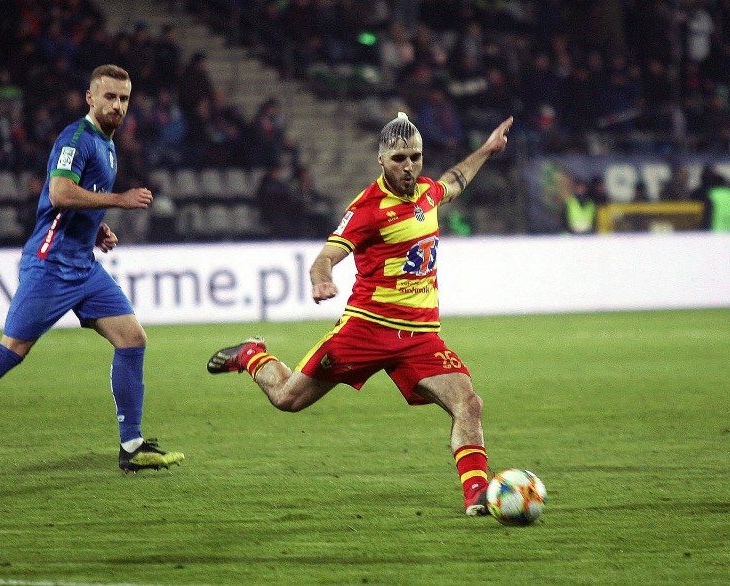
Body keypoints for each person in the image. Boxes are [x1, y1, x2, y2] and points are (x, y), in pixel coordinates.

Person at [207, 112, 513, 517]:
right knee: (287, 398)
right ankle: (252, 355)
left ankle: (476, 493)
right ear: (381, 160)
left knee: (468, 403)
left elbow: (454, 181)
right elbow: (325, 256)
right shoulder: (367, 209)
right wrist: (321, 279)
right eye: (400, 159)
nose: (409, 167)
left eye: (416, 158)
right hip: (367, 330)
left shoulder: (426, 192)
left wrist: (487, 150)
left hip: (420, 336)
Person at [0, 65, 184, 482]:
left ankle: (131, 447)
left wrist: (96, 227)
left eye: (124, 98)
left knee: (132, 339)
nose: (117, 105)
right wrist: (120, 200)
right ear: (90, 98)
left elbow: (71, 199)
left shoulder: (108, 145)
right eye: (109, 96)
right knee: (12, 351)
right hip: (51, 264)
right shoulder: (76, 138)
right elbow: (59, 192)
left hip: (83, 264)